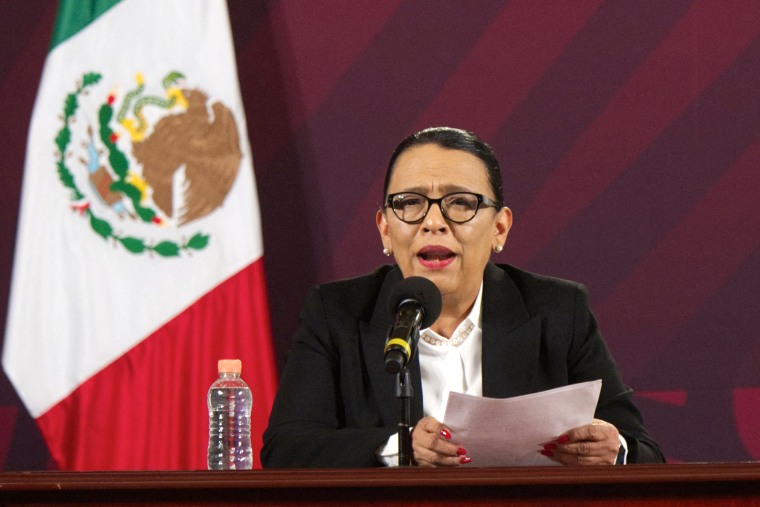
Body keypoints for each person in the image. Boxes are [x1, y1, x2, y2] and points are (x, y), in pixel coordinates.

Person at [261, 127, 665, 467]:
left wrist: (615, 450)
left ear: (499, 229)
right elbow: (286, 448)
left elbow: (643, 452)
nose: (433, 222)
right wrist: (401, 448)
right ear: (385, 229)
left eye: (460, 203)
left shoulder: (558, 311)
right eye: (410, 203)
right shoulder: (337, 314)